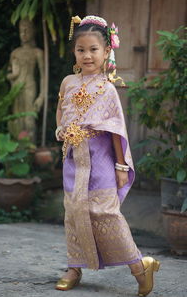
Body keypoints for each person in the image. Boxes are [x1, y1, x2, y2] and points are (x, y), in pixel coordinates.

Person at [55, 15, 160, 296]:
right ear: (74, 52)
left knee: (105, 213)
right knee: (73, 212)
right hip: (74, 160)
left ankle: (140, 267)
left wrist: (121, 165)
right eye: (81, 50)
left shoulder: (107, 89)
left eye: (93, 50)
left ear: (106, 52)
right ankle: (74, 267)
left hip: (101, 160)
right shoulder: (68, 82)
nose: (87, 55)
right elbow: (61, 112)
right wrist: (60, 131)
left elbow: (116, 130)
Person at [7, 18, 44, 143]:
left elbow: (43, 77)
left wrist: (41, 96)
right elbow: (9, 74)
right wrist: (13, 75)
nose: (23, 34)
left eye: (27, 30)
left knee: (29, 119)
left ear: (33, 31)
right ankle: (18, 149)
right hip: (16, 88)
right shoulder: (15, 53)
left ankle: (30, 148)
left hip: (29, 86)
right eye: (21, 31)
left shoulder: (37, 52)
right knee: (17, 119)